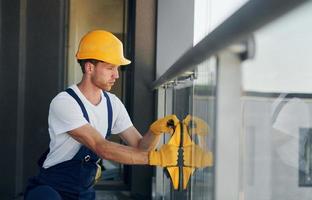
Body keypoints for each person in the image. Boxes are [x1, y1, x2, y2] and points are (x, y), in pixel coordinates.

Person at [24, 30, 180, 200]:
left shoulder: (113, 104)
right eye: (110, 68)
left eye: (118, 68)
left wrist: (154, 132)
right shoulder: (64, 102)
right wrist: (156, 158)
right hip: (53, 188)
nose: (117, 75)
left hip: (84, 192)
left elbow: (140, 147)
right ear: (89, 67)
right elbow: (101, 147)